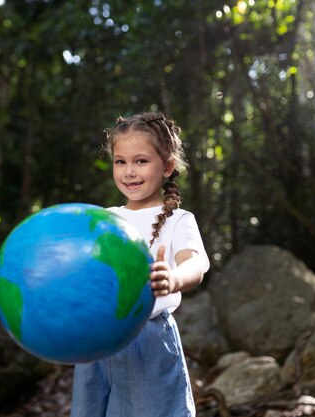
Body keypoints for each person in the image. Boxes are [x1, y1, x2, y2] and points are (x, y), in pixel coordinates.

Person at [70, 112, 210, 417]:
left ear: (168, 166)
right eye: (120, 161)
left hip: (147, 338)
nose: (129, 171)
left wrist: (173, 279)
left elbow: (195, 264)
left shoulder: (179, 220)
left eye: (141, 161)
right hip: (98, 337)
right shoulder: (104, 218)